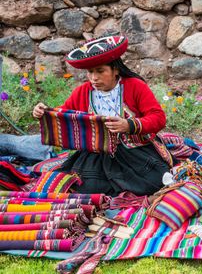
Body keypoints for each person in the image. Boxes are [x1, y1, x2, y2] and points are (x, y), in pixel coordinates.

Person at [33, 35, 171, 196]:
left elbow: (158, 117)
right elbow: (64, 114)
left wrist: (129, 125)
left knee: (152, 182)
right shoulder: (83, 92)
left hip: (134, 151)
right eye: (90, 72)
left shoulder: (135, 86)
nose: (94, 78)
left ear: (115, 70)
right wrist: (43, 113)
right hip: (97, 153)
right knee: (86, 188)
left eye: (100, 71)